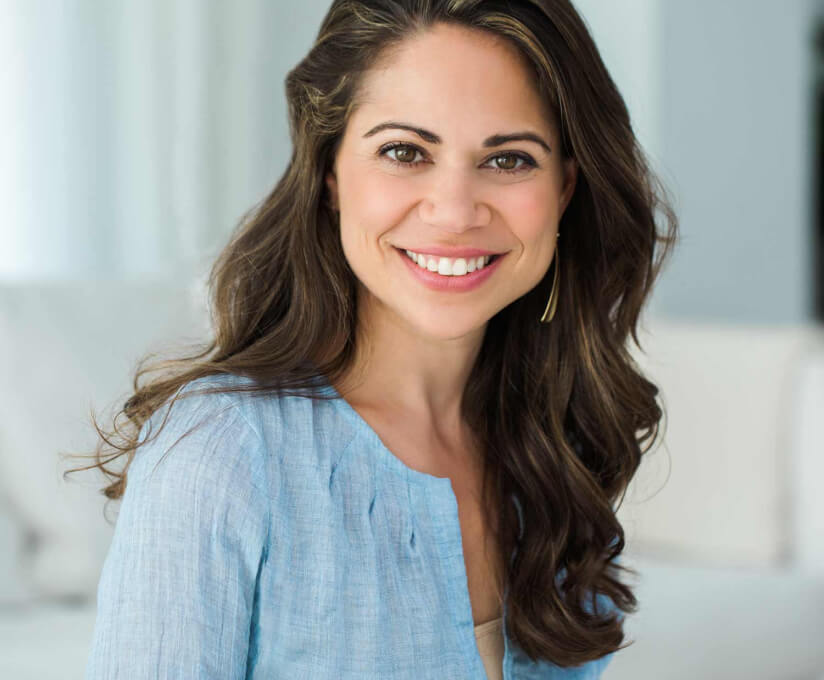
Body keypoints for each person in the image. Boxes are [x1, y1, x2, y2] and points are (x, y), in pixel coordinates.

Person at [70, 0, 678, 678]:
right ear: (329, 173)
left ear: (565, 188)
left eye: (508, 160)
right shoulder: (219, 450)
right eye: (404, 152)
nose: (453, 212)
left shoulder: (557, 449)